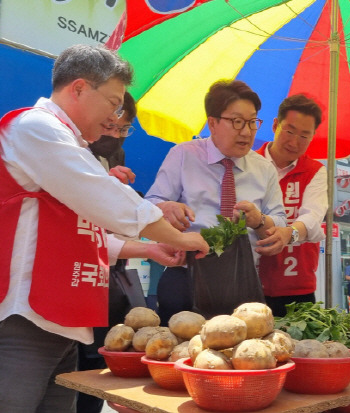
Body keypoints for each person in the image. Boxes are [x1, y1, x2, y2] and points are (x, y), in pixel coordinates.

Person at [0, 44, 209, 413]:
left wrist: (149, 248)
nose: (115, 116)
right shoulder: (36, 127)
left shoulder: (72, 144)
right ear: (79, 88)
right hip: (25, 319)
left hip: (62, 319)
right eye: (113, 102)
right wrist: (176, 236)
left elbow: (86, 231)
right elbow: (103, 197)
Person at [145, 79, 288, 324]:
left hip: (241, 281)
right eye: (237, 122)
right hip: (186, 275)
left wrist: (258, 220)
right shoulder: (183, 155)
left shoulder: (264, 169)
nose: (247, 131)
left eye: (253, 121)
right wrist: (166, 208)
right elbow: (149, 206)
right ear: (212, 122)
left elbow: (280, 223)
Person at [76, 91, 141, 413]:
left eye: (124, 129)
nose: (114, 136)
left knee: (96, 367)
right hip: (75, 275)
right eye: (110, 127)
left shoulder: (116, 155)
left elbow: (113, 223)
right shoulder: (72, 153)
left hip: (106, 277)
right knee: (76, 367)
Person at [256, 94, 328, 317]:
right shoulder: (249, 164)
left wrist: (291, 233)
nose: (294, 142)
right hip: (249, 285)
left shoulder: (315, 171)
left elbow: (313, 216)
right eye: (289, 131)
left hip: (297, 290)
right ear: (276, 125)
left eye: (304, 136)